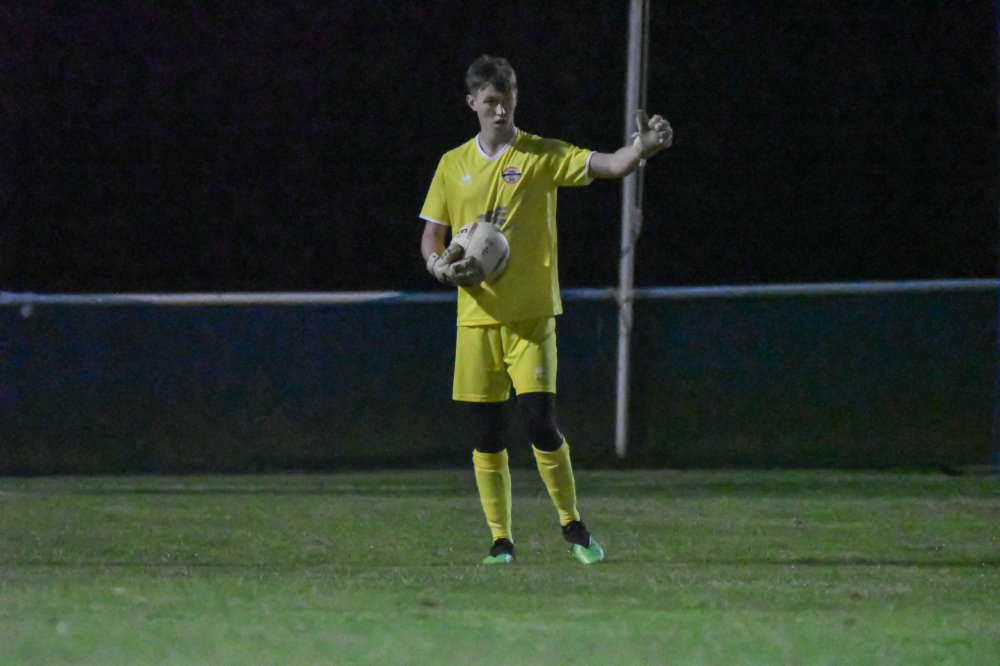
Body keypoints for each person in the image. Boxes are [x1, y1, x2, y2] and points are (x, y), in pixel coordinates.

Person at [419, 55, 672, 565]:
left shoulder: (539, 155)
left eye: (507, 98)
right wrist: (437, 266)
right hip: (476, 320)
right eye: (491, 101)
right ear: (472, 103)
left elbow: (609, 164)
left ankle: (573, 526)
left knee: (540, 423)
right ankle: (501, 541)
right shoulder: (452, 164)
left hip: (531, 318)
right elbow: (432, 234)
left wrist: (641, 149)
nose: (500, 109)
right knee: (488, 434)